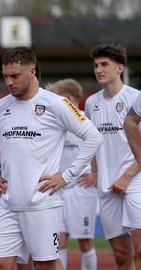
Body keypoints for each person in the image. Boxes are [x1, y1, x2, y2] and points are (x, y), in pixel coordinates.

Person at [0, 46, 102, 270]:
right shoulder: (0, 107)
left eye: (14, 76)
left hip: (42, 204)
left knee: (46, 265)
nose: (9, 82)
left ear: (32, 72)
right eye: (5, 76)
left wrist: (66, 176)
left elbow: (93, 137)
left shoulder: (56, 103)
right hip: (9, 203)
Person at [84, 44, 141, 269]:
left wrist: (127, 176)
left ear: (120, 68)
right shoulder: (91, 103)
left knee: (140, 249)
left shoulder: (135, 99)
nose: (99, 69)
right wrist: (96, 172)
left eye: (104, 64)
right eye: (96, 65)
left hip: (135, 180)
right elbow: (93, 141)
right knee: (120, 254)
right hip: (107, 185)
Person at [51, 79, 98, 270]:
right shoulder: (55, 123)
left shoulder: (87, 121)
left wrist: (96, 173)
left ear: (69, 99)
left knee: (85, 242)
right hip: (58, 189)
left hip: (81, 188)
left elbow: (99, 149)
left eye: (56, 97)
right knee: (59, 241)